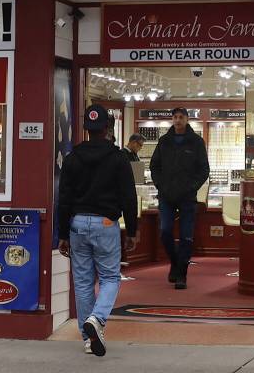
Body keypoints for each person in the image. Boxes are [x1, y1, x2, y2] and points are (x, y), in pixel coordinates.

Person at [58, 104, 138, 357]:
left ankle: (88, 338)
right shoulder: (118, 158)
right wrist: (133, 229)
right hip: (106, 224)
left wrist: (61, 234)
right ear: (108, 128)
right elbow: (129, 197)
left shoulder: (72, 158)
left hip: (77, 223)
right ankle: (98, 319)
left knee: (82, 282)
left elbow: (64, 199)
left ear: (86, 129)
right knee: (110, 278)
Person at [148, 107, 209, 290]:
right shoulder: (164, 141)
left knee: (186, 237)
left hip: (187, 197)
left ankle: (181, 273)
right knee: (165, 231)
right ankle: (175, 261)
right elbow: (154, 166)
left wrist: (192, 187)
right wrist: (160, 185)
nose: (178, 120)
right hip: (166, 195)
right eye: (175, 117)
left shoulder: (196, 142)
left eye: (181, 117)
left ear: (187, 119)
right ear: (172, 119)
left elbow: (204, 170)